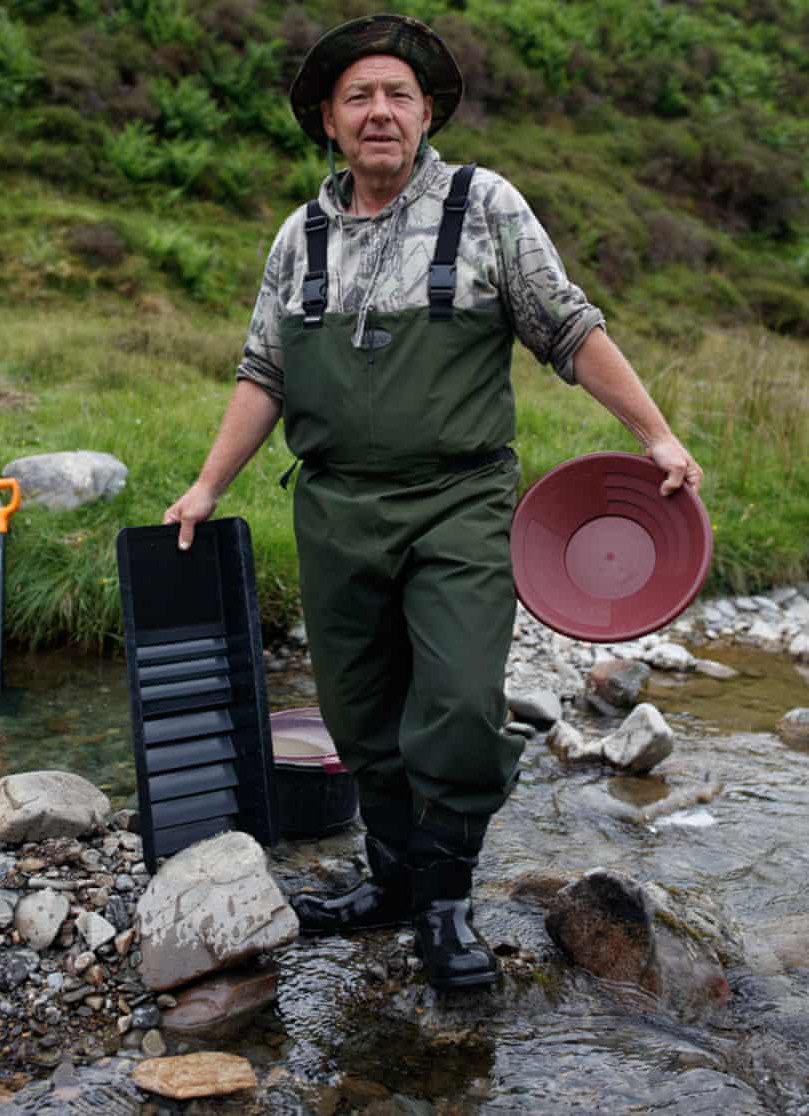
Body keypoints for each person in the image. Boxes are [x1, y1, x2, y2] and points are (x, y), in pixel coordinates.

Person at [164, 14, 703, 993]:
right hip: (333, 510)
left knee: (454, 705)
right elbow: (261, 373)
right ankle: (390, 882)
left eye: (397, 95)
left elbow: (568, 327)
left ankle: (446, 905)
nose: (379, 111)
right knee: (358, 714)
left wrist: (654, 435)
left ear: (423, 114)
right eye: (358, 96)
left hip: (458, 503)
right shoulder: (300, 236)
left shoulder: (484, 205)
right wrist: (205, 485)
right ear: (328, 119)